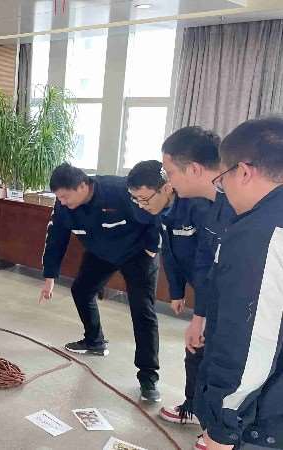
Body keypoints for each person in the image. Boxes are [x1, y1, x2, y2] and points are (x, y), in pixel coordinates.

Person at [192, 118, 283, 450]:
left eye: (223, 179)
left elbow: (251, 340)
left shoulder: (261, 233)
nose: (224, 191)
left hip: (262, 420)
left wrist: (223, 427)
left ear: (243, 172)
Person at [39, 163, 162, 402]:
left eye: (65, 196)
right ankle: (94, 341)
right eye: (58, 197)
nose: (62, 202)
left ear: (82, 186)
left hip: (136, 254)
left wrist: (151, 248)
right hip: (100, 253)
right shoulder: (64, 206)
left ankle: (148, 376)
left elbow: (153, 214)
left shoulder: (120, 191)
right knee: (81, 290)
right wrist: (50, 277)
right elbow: (55, 238)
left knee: (142, 311)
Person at [160, 126, 236, 450]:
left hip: (245, 310)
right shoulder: (211, 207)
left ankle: (224, 435)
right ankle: (209, 424)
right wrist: (199, 317)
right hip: (217, 306)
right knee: (205, 361)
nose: (169, 182)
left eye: (170, 172)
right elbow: (207, 267)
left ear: (193, 169)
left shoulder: (240, 207)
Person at [126, 159, 212, 426]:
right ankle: (195, 407)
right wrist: (177, 292)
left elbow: (207, 264)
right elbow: (171, 255)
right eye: (136, 200)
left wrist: (200, 314)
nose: (141, 205)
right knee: (197, 347)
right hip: (203, 288)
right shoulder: (164, 213)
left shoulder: (199, 208)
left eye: (144, 199)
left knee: (204, 348)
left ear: (166, 188)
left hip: (219, 289)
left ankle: (209, 420)